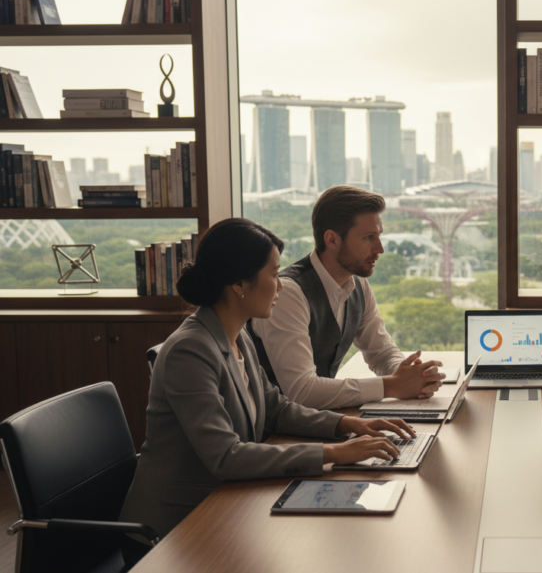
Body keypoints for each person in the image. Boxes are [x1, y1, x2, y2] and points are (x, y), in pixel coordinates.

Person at [120, 218, 415, 566]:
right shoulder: (191, 350)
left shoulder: (237, 333)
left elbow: (276, 409)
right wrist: (334, 452)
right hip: (175, 528)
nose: (281, 285)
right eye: (274, 275)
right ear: (239, 285)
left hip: (225, 504)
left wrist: (348, 425)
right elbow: (225, 456)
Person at [249, 185, 444, 410]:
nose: (379, 248)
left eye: (379, 236)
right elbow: (301, 391)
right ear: (332, 240)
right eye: (369, 238)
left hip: (322, 421)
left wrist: (408, 373)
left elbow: (381, 352)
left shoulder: (359, 284)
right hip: (277, 434)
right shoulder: (288, 293)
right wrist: (392, 386)